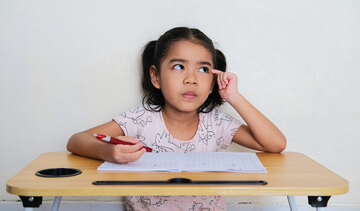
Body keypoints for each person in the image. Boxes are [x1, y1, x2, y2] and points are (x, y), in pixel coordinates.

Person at [67, 27, 286, 211]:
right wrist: (109, 153)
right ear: (155, 76)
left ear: (212, 82)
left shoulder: (216, 123)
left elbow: (275, 144)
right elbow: (76, 140)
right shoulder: (140, 120)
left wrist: (234, 96)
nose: (191, 79)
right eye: (179, 67)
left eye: (203, 69)